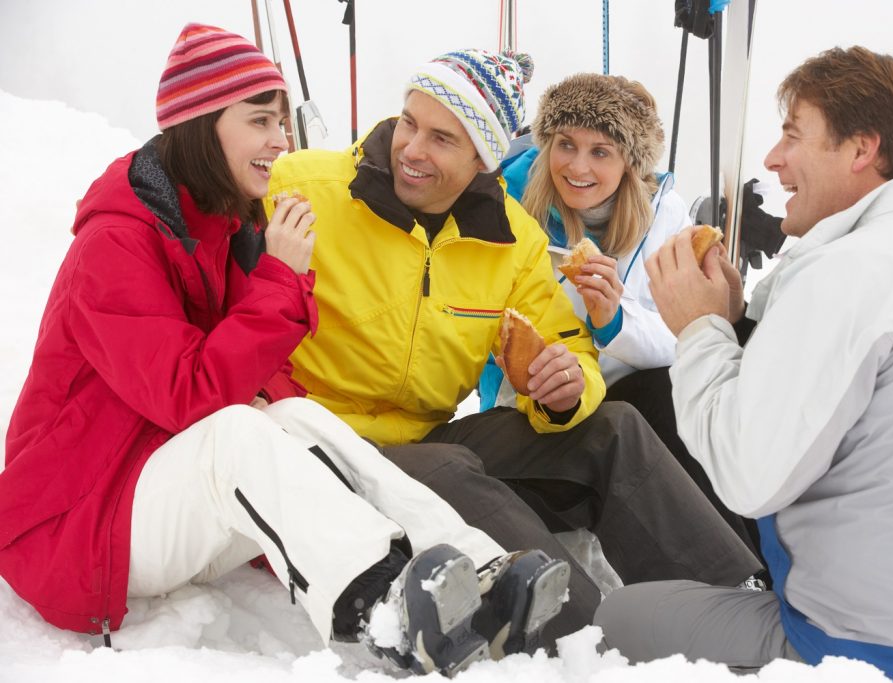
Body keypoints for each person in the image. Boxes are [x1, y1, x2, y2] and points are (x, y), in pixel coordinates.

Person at [0, 24, 572, 678]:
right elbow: (187, 394)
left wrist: (305, 427)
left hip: (152, 491)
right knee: (237, 430)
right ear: (202, 124)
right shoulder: (116, 246)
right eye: (261, 120)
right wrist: (279, 281)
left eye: (281, 119)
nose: (281, 138)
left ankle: (475, 566)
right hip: (74, 524)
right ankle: (383, 603)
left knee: (296, 415)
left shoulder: (223, 227)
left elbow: (267, 383)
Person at [267, 48, 763, 645]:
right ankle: (586, 635)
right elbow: (196, 199)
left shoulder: (508, 235)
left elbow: (569, 344)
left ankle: (737, 604)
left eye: (442, 138)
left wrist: (567, 386)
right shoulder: (303, 187)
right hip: (324, 444)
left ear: (483, 156)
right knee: (448, 469)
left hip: (425, 431)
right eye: (409, 122)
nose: (413, 149)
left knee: (613, 426)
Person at [594, 46, 893, 681]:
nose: (772, 159)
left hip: (876, 650)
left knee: (613, 623)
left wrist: (701, 329)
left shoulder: (846, 273)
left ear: (861, 150)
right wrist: (738, 324)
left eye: (793, 134)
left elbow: (746, 479)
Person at [479, 72, 761, 555]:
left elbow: (683, 333)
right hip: (542, 404)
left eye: (601, 152)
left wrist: (614, 319)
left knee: (675, 392)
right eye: (565, 144)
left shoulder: (663, 215)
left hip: (627, 391)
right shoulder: (507, 209)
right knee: (629, 423)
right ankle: (719, 572)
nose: (577, 167)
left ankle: (750, 564)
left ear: (630, 162)